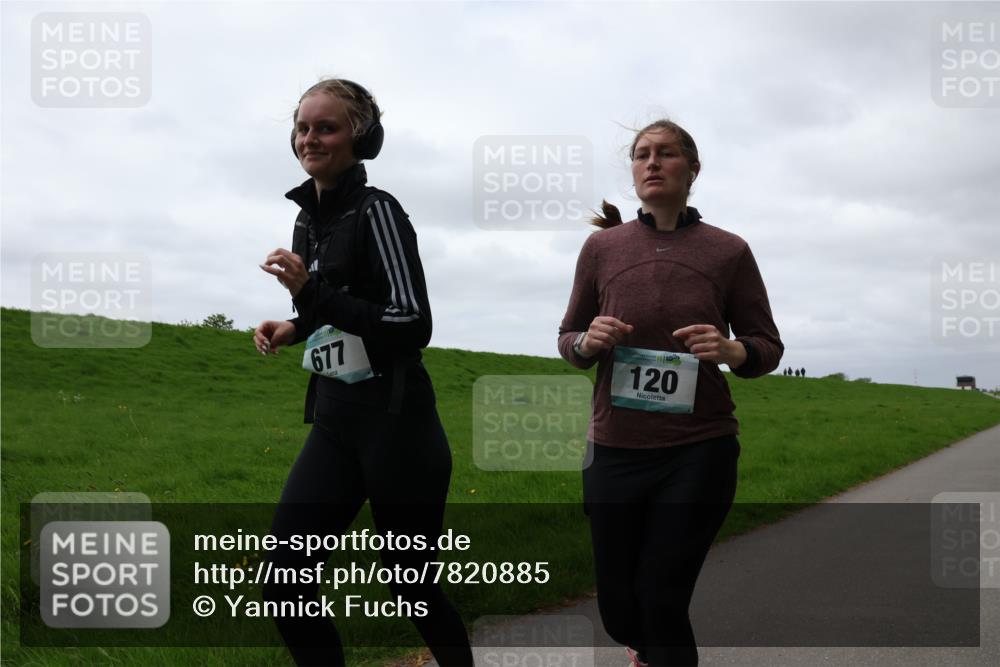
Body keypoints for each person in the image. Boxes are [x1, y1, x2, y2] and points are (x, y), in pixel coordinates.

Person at [253, 78, 472, 667]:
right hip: (334, 422)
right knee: (284, 583)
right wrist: (293, 324)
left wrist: (311, 291)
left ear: (360, 137)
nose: (309, 137)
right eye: (302, 127)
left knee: (411, 588)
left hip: (396, 424)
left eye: (326, 127)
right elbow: (327, 307)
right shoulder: (308, 221)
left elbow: (409, 322)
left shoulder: (379, 212)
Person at [557, 119, 783, 666]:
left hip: (698, 449)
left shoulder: (728, 251)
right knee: (620, 611)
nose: (652, 163)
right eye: (641, 155)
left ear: (693, 169)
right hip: (615, 451)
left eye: (666, 154)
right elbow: (567, 338)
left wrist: (733, 351)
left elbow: (766, 346)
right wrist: (588, 340)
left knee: (662, 598)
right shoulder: (602, 248)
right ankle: (642, 649)